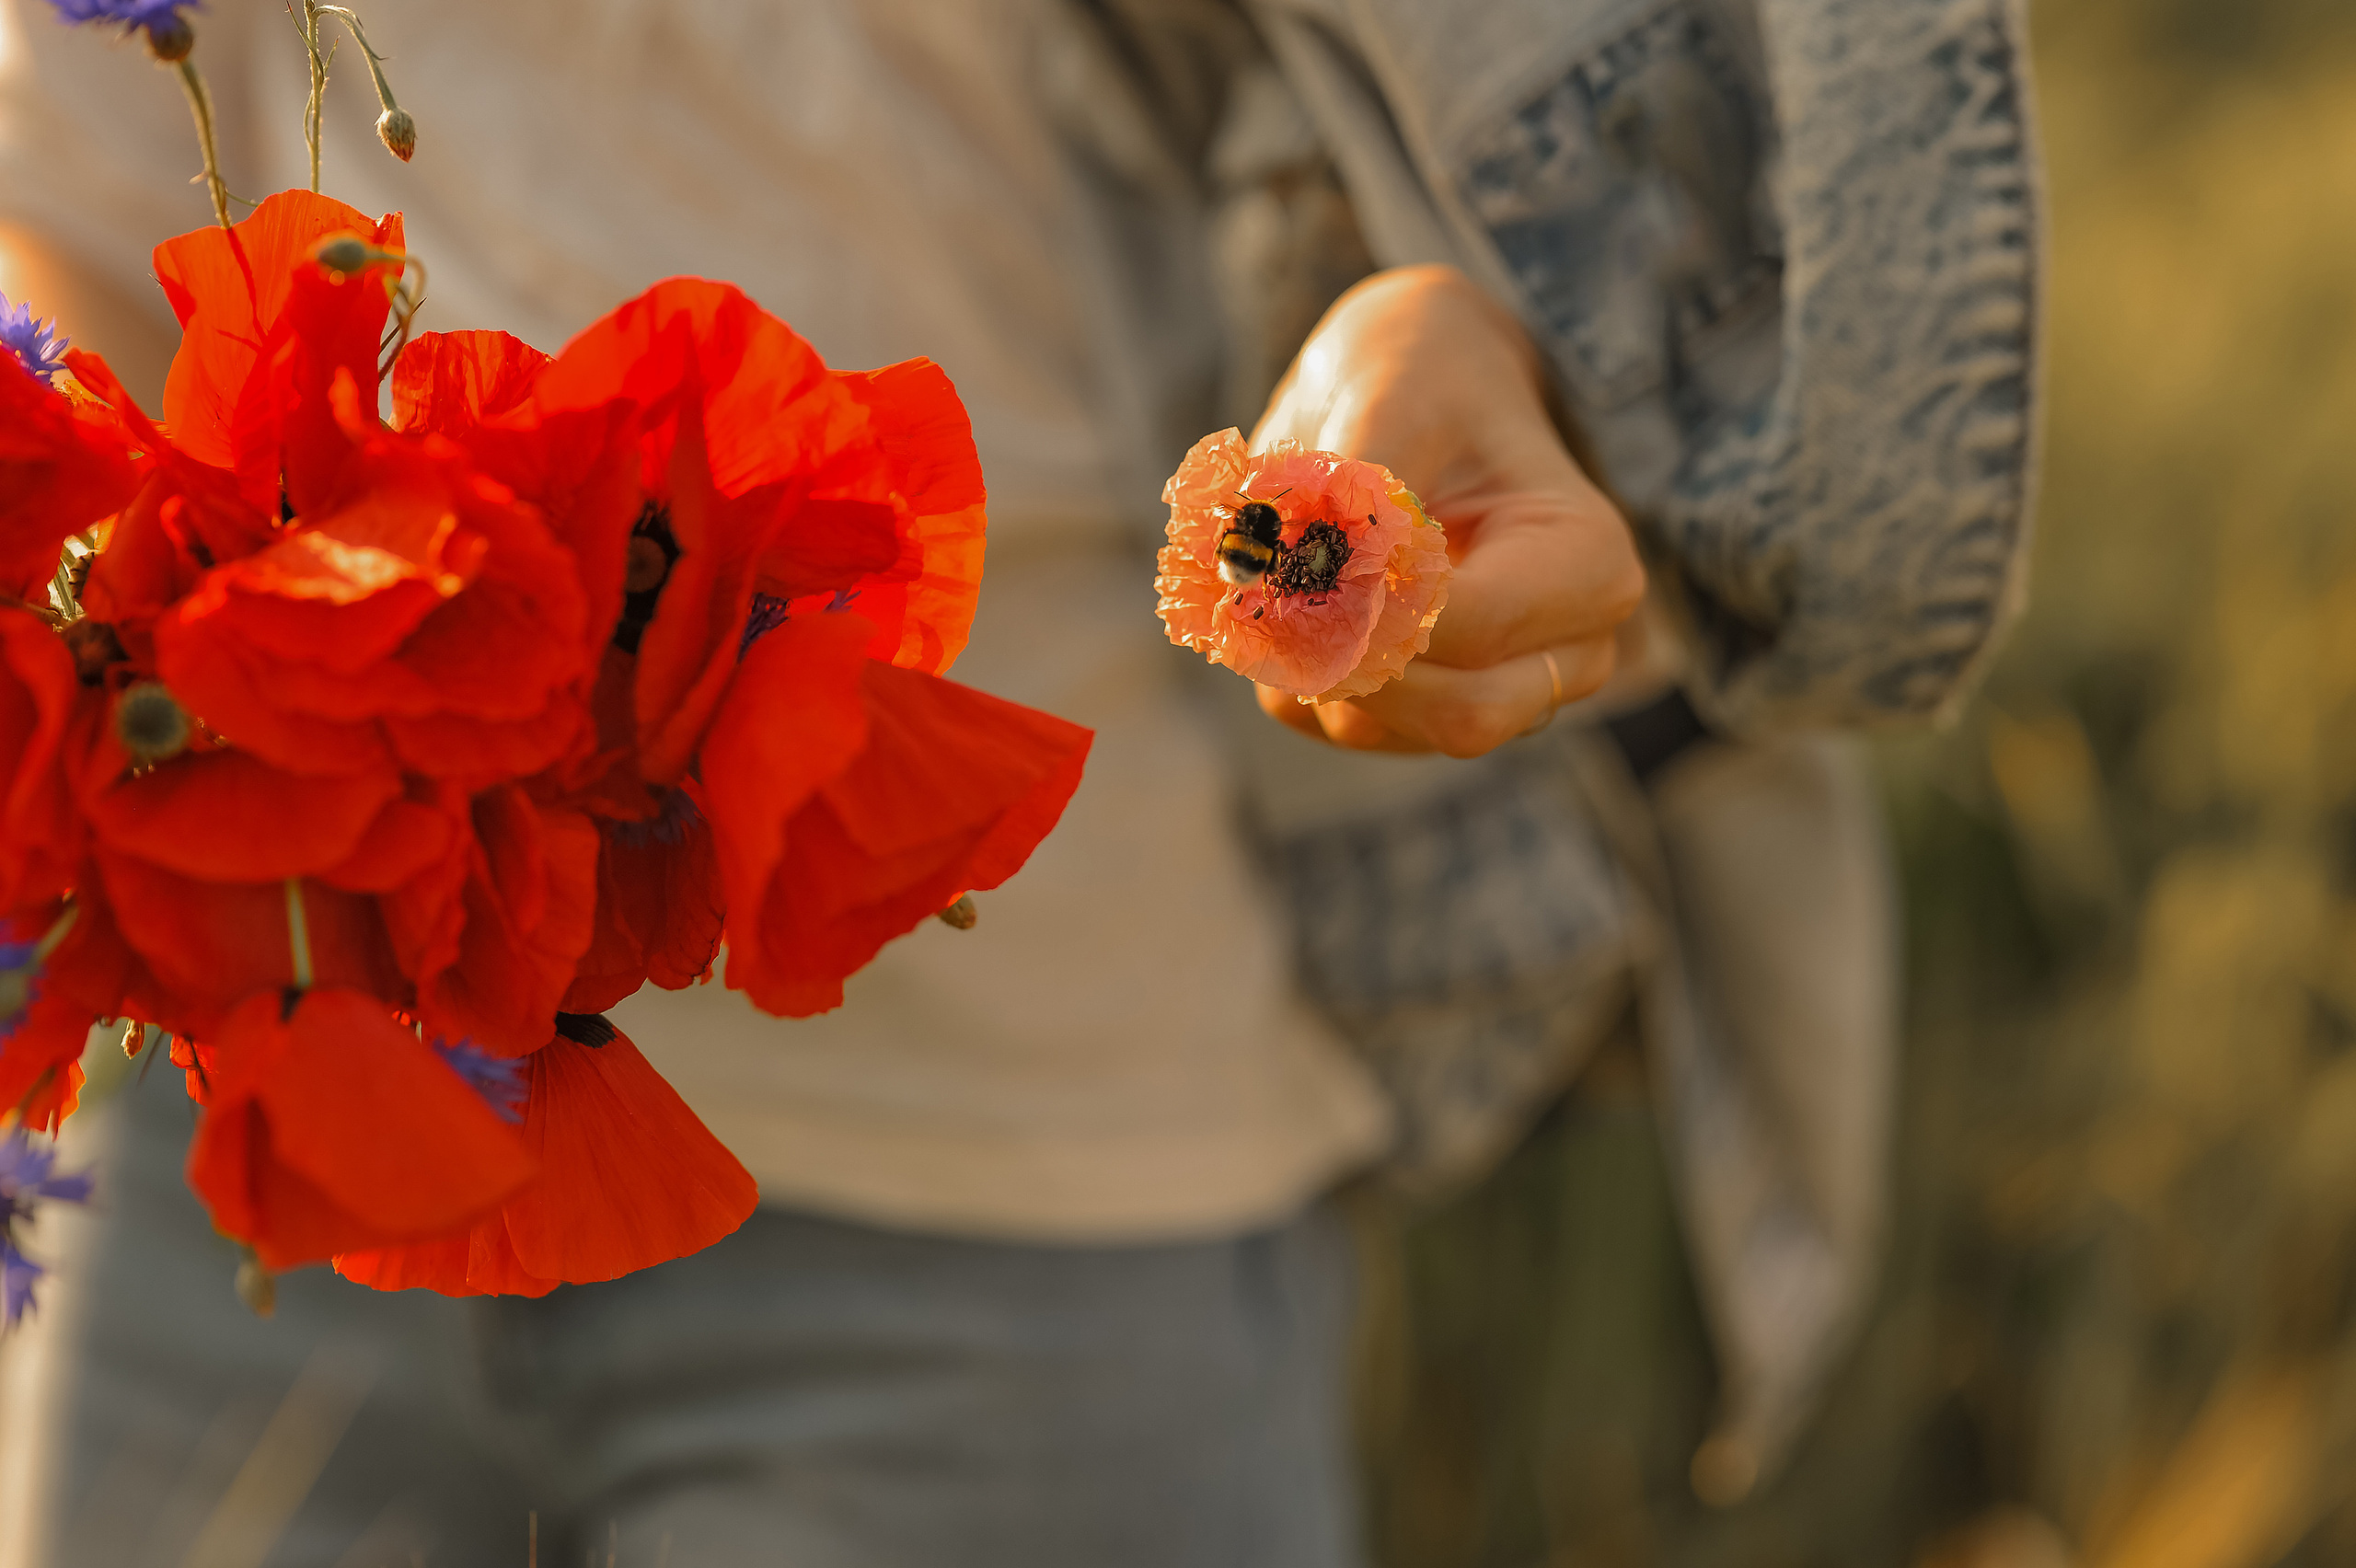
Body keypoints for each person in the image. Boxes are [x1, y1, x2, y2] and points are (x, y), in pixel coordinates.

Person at [0, 0, 2038, 1563]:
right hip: (263, 1125)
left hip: (1029, 1213)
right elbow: (80, 227)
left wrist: (1448, 360)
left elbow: (1574, 209)